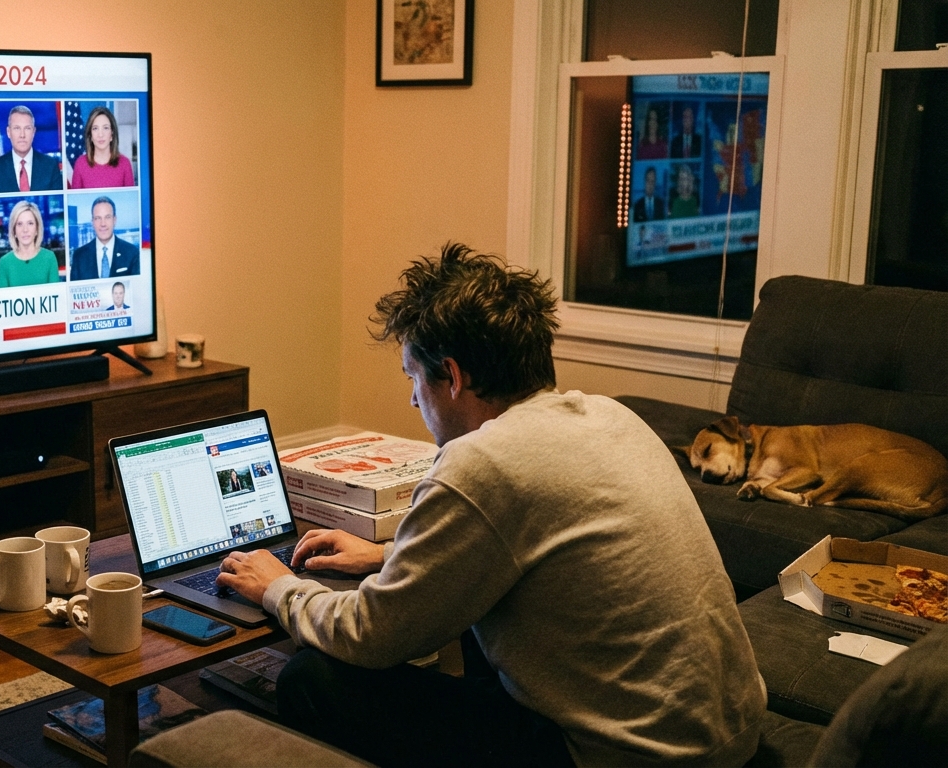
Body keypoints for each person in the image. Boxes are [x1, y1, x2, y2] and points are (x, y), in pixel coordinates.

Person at [215, 243, 765, 767]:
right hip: (730, 736)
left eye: (413, 377)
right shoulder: (613, 417)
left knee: (312, 678)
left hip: (623, 759)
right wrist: (387, 554)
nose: (412, 398)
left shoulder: (481, 464)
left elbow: (369, 634)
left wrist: (278, 586)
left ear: (451, 376)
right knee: (479, 614)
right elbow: (538, 539)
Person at [0, 106, 63, 193]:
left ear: (33, 132)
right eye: (17, 128)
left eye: (27, 128)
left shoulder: (50, 165)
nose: (22, 135)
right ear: (8, 132)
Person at [70, 196, 140, 280]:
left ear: (114, 220)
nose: (103, 224)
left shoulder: (132, 252)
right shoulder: (79, 256)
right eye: (98, 218)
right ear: (92, 222)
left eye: (107, 217)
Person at [0, 201, 59, 288]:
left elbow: (56, 298)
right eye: (19, 224)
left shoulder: (49, 258)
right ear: (14, 230)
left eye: (30, 223)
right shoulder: (5, 262)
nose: (25, 230)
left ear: (37, 229)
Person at [69, 106, 135, 189]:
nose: (100, 134)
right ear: (90, 135)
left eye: (106, 128)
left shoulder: (125, 164)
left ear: (112, 134)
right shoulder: (80, 164)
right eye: (95, 128)